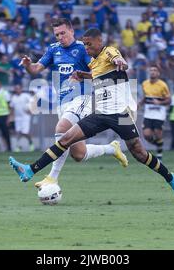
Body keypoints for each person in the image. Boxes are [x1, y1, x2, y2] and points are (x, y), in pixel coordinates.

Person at [9, 28, 174, 201]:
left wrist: (120, 62)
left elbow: (119, 60)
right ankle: (30, 170)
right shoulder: (93, 63)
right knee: (65, 138)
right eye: (85, 45)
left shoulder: (109, 51)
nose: (87, 48)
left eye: (89, 44)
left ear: (99, 42)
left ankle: (171, 178)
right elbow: (98, 76)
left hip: (120, 114)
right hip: (100, 113)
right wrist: (82, 75)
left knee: (139, 153)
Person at [18, 18, 128, 188]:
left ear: (71, 31)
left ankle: (52, 177)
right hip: (62, 103)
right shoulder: (53, 50)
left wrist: (84, 75)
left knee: (61, 129)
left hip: (81, 98)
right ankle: (112, 148)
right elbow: (35, 69)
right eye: (57, 35)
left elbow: (98, 71)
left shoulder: (82, 49)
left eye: (63, 33)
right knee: (78, 154)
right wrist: (27, 65)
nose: (60, 37)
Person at [141, 65, 171, 160]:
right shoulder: (144, 84)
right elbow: (145, 97)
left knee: (158, 133)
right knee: (146, 135)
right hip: (148, 113)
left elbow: (169, 100)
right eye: (151, 70)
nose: (152, 72)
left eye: (155, 70)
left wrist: (160, 102)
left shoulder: (163, 85)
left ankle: (159, 155)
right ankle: (159, 145)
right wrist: (139, 103)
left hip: (159, 114)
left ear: (158, 73)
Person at [11, 84, 34, 152]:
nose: (17, 90)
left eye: (18, 88)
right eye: (16, 88)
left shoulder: (25, 96)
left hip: (25, 117)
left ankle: (31, 143)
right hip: (17, 118)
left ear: (21, 89)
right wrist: (11, 117)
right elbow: (12, 108)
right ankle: (18, 146)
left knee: (25, 132)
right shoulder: (13, 97)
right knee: (18, 132)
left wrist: (30, 110)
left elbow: (32, 102)